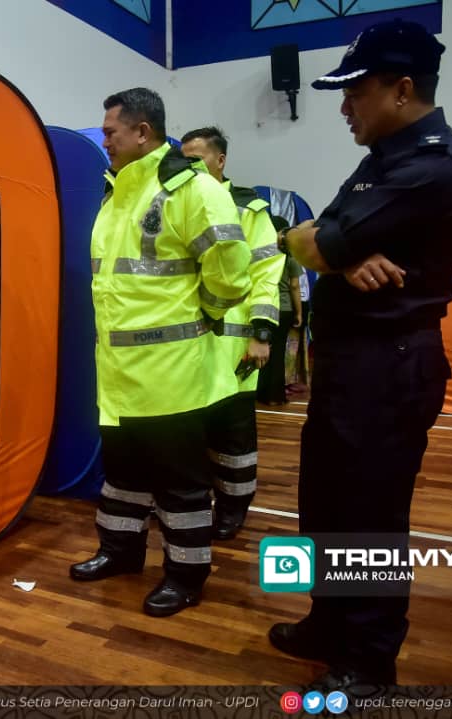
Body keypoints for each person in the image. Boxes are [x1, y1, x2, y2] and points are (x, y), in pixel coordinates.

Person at [270, 20, 452, 688]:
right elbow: (301, 238)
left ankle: (369, 656)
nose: (343, 107)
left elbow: (318, 242)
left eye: (355, 91)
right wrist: (327, 249)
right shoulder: (382, 158)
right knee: (326, 503)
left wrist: (329, 250)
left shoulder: (432, 167)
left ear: (404, 88)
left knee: (371, 518)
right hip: (346, 366)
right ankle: (330, 622)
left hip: (389, 367)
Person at [69, 88, 252, 617]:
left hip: (171, 373)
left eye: (110, 131)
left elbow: (231, 273)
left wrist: (206, 320)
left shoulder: (191, 187)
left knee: (180, 484)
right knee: (123, 476)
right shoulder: (117, 190)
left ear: (142, 132)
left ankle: (186, 574)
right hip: (120, 372)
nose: (103, 140)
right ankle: (120, 552)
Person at [180, 126, 286, 540]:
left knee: (234, 436)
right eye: (184, 158)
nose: (190, 165)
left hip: (235, 347)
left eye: (198, 157)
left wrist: (261, 334)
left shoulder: (249, 208)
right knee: (190, 434)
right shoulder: (178, 202)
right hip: (188, 346)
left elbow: (265, 274)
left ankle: (232, 508)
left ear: (220, 160)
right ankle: (191, 505)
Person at [256, 216, 303, 406]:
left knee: (263, 351)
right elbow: (294, 286)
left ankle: (259, 392)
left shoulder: (262, 254)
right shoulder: (289, 256)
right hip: (284, 309)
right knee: (278, 355)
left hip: (264, 307)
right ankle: (274, 395)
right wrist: (299, 313)